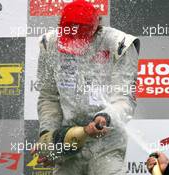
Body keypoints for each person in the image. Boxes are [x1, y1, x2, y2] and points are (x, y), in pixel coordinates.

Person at [34, 0, 140, 175]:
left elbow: (124, 99)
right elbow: (48, 97)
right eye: (69, 39)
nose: (74, 44)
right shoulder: (49, 44)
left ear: (95, 28)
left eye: (79, 39)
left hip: (107, 142)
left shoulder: (119, 45)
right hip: (69, 139)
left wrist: (105, 118)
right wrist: (50, 138)